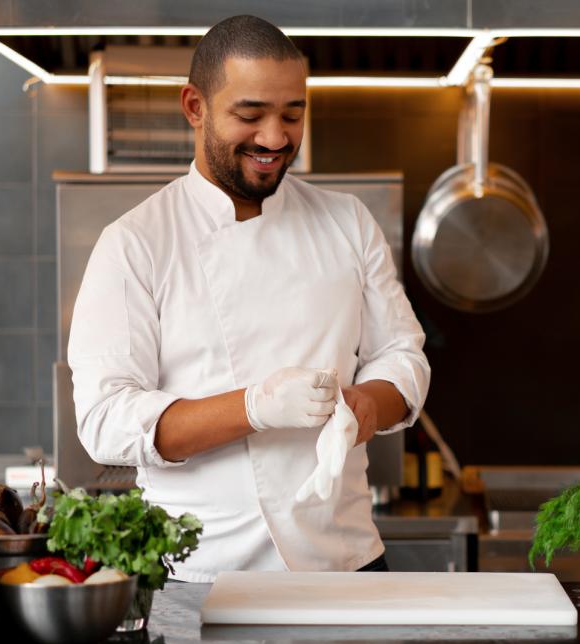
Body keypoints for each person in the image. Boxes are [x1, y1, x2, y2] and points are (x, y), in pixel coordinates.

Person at [67, 15, 430, 582]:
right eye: (250, 114)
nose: (275, 137)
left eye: (292, 113)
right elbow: (105, 419)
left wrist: (367, 407)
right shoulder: (136, 243)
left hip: (345, 564)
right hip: (200, 573)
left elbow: (403, 356)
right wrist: (253, 408)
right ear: (195, 107)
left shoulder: (348, 222)